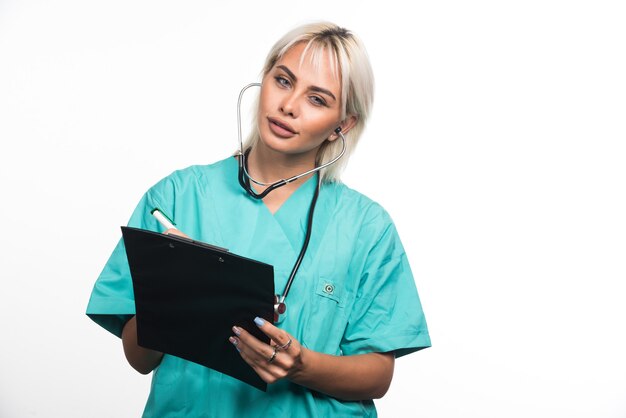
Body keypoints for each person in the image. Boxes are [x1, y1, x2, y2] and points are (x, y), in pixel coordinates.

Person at [86, 21, 431, 417]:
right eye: (283, 80)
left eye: (317, 99)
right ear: (264, 79)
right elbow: (139, 359)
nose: (289, 105)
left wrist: (302, 365)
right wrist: (175, 289)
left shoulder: (367, 228)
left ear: (343, 124)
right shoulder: (177, 197)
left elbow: (377, 377)